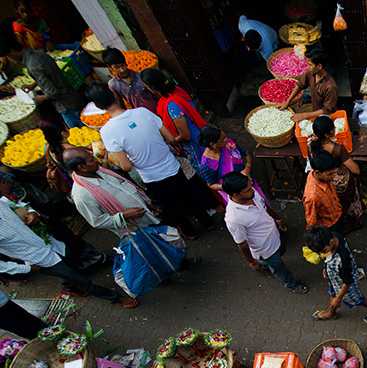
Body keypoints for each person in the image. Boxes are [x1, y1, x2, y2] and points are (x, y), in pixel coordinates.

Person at [89, 84, 212, 238]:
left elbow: (126, 166)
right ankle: (206, 221)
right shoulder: (142, 112)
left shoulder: (107, 131)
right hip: (171, 165)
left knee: (171, 205)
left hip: (152, 177)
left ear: (99, 106)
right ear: (114, 96)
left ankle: (189, 231)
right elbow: (170, 138)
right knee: (187, 194)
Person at [0, 200, 134, 306]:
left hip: (53, 244)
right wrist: (26, 268)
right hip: (39, 259)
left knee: (73, 265)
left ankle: (70, 287)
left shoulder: (2, 203)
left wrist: (32, 212)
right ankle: (115, 298)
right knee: (82, 281)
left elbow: (20, 205)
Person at [221, 173, 307, 294]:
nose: (252, 190)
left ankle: (267, 266)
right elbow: (242, 244)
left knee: (281, 252)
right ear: (235, 194)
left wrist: (277, 219)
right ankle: (292, 284)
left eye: (251, 187)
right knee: (279, 268)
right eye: (247, 190)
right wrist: (251, 262)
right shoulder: (233, 218)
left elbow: (265, 207)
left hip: (276, 235)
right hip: (266, 251)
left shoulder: (251, 194)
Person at [64, 147, 159, 237]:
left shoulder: (99, 171)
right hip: (136, 229)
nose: (96, 160)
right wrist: (123, 216)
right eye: (91, 160)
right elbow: (97, 222)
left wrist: (146, 202)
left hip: (149, 214)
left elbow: (126, 187)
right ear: (82, 167)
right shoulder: (81, 195)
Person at [304, 226, 367, 324]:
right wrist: (326, 268)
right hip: (335, 277)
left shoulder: (342, 260)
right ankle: (331, 312)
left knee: (357, 299)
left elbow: (347, 282)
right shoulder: (334, 236)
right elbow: (328, 257)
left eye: (324, 251)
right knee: (333, 293)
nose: (323, 254)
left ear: (331, 242)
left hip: (345, 282)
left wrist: (338, 298)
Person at [0, 39, 84, 128]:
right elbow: (47, 74)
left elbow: (53, 92)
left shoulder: (32, 66)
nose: (10, 60)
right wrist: (33, 85)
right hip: (71, 94)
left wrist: (40, 98)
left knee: (78, 129)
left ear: (12, 52)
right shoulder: (38, 54)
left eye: (8, 57)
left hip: (65, 104)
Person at [141, 68, 207, 175]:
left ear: (152, 88)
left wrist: (172, 141)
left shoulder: (172, 106)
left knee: (206, 171)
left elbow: (186, 135)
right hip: (199, 133)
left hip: (196, 143)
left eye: (146, 86)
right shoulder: (176, 90)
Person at [308, 116, 363, 229]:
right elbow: (355, 169)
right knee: (348, 200)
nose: (335, 129)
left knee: (336, 205)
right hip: (339, 182)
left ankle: (340, 218)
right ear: (328, 134)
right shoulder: (337, 149)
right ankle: (353, 221)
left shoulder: (311, 144)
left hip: (327, 185)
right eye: (333, 128)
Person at [198, 124, 264, 207]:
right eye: (223, 139)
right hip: (236, 194)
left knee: (261, 203)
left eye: (225, 136)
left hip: (248, 181)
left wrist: (247, 167)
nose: (227, 139)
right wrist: (231, 187)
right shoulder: (207, 165)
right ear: (212, 144)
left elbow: (246, 153)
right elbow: (211, 184)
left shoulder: (229, 143)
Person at [288, 48, 338, 123]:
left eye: (310, 65)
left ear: (319, 66)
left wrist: (304, 115)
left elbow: (327, 110)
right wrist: (287, 102)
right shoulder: (310, 73)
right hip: (315, 108)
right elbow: (300, 85)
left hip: (325, 116)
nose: (307, 67)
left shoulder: (330, 87)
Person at [102, 47, 158, 112]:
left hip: (156, 110)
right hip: (139, 115)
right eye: (117, 67)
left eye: (122, 65)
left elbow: (156, 94)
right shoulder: (113, 84)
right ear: (110, 68)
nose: (122, 70)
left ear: (125, 62)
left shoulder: (140, 76)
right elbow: (121, 105)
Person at [303, 150, 343, 230]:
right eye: (330, 174)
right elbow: (311, 221)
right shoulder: (312, 197)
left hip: (336, 212)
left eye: (334, 172)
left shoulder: (317, 173)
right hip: (329, 225)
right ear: (318, 172)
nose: (333, 176)